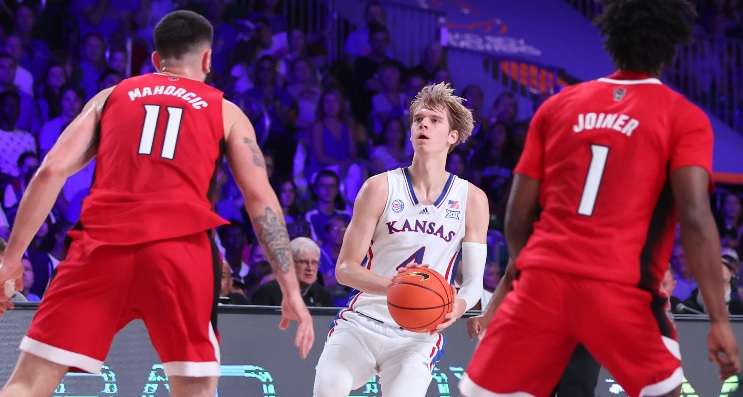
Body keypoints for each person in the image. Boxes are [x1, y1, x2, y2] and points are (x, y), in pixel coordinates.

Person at [0, 10, 314, 397]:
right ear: (207, 59)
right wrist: (291, 290)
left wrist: (11, 259)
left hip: (101, 247)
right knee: (195, 390)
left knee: (28, 384)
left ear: (154, 60)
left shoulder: (111, 97)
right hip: (179, 253)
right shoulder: (225, 111)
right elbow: (260, 200)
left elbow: (50, 171)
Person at [460, 1, 741, 396]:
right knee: (666, 391)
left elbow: (517, 217)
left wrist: (533, 280)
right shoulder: (684, 117)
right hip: (620, 285)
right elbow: (695, 218)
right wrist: (719, 320)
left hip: (544, 279)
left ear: (610, 42)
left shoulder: (557, 107)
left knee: (484, 392)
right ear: (672, 48)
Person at [313, 82, 489, 397]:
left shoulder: (472, 199)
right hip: (363, 322)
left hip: (418, 335)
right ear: (410, 133)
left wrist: (458, 306)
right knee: (328, 390)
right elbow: (345, 269)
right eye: (418, 119)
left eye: (434, 120)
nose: (423, 124)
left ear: (452, 137)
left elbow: (474, 282)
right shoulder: (379, 187)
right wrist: (395, 288)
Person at [252, 237, 333, 307]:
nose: (310, 268)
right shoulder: (267, 292)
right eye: (303, 262)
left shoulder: (323, 295)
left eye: (314, 262)